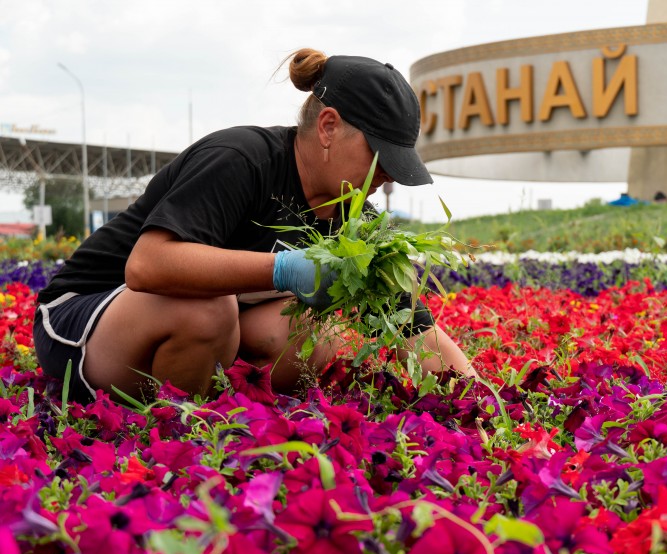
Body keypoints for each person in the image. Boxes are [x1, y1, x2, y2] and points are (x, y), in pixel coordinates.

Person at [33, 48, 474, 403]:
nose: (390, 175)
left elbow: (413, 328)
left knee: (311, 335)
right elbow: (146, 267)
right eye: (379, 156)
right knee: (209, 310)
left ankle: (218, 403)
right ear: (328, 126)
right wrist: (282, 269)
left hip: (169, 326)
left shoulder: (353, 218)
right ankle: (172, 433)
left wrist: (485, 402)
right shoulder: (241, 159)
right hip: (83, 320)